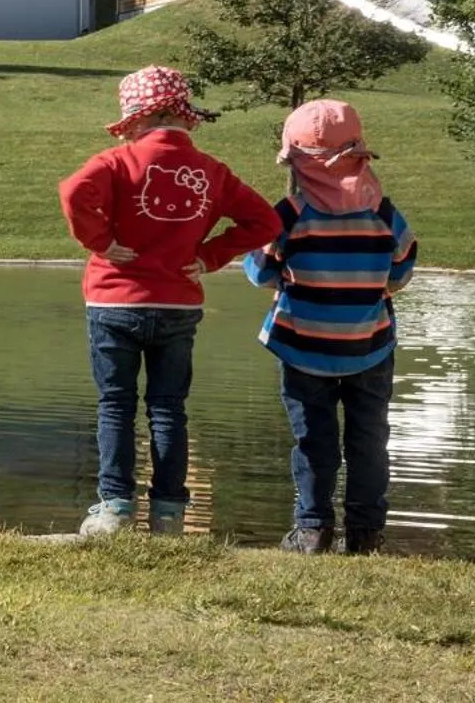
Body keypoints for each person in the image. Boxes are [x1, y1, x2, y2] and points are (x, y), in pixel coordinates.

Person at [58, 65, 279, 537]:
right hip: (178, 304)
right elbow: (265, 223)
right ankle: (168, 514)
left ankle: (115, 508)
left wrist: (99, 241)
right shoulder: (212, 171)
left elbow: (73, 191)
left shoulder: (117, 163)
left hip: (114, 301)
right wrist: (210, 255)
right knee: (167, 407)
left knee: (116, 404)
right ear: (183, 116)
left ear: (135, 120)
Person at [244, 99, 416, 556]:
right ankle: (366, 533)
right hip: (370, 345)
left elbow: (260, 272)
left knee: (312, 439)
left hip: (303, 346)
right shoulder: (383, 213)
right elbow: (401, 269)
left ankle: (312, 528)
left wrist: (278, 273)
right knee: (369, 438)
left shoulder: (289, 214)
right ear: (360, 156)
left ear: (298, 164)